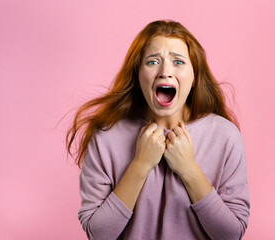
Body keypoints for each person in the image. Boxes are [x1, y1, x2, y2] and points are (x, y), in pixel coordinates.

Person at [66, 19, 250, 240]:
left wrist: (189, 169)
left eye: (178, 62)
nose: (165, 71)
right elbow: (99, 234)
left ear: (194, 78)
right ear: (137, 77)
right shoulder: (106, 136)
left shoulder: (225, 136)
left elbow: (231, 235)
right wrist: (140, 164)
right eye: (153, 62)